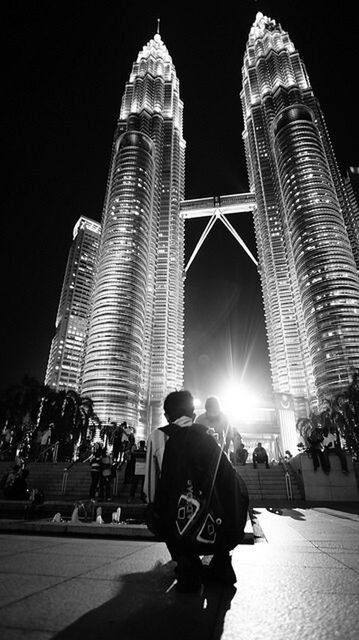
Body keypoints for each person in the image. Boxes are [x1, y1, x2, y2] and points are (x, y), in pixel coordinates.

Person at [144, 390, 249, 593]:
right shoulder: (208, 436)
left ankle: (186, 562)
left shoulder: (157, 436)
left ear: (167, 416)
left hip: (177, 522)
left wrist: (155, 510)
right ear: (193, 414)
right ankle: (221, 562)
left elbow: (150, 489)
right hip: (214, 520)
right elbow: (226, 479)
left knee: (157, 509)